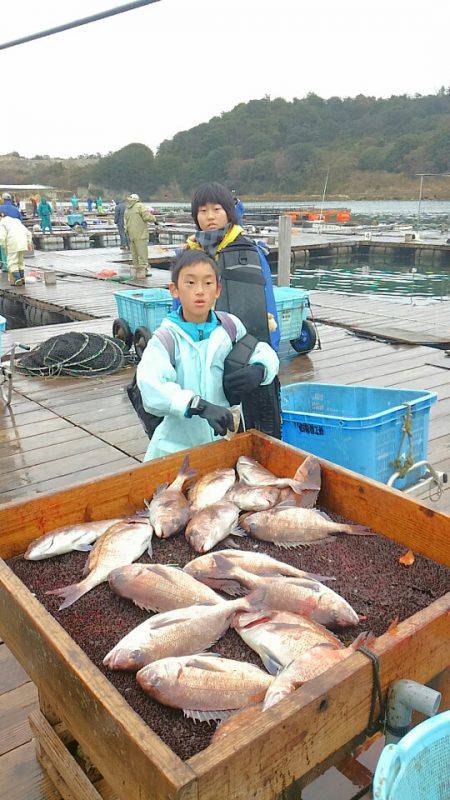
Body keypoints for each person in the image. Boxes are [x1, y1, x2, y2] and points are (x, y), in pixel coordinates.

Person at [136, 249, 279, 460]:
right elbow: (151, 389)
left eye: (208, 283)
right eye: (190, 283)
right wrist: (197, 405)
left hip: (224, 442)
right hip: (176, 448)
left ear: (218, 290)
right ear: (174, 290)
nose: (200, 291)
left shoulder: (230, 327)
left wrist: (260, 369)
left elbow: (262, 350)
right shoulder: (165, 339)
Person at [185, 182, 282, 437]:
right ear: (195, 216)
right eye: (203, 211)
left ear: (229, 212)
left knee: (259, 432)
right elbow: (177, 311)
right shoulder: (188, 256)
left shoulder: (251, 252)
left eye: (217, 209)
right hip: (203, 356)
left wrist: (264, 364)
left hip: (244, 355)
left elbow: (268, 311)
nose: (210, 216)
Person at [124, 193, 156, 279]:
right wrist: (154, 218)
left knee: (134, 254)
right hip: (140, 234)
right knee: (142, 254)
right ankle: (143, 271)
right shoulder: (140, 206)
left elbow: (125, 222)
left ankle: (136, 271)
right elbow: (146, 217)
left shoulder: (127, 208)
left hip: (131, 234)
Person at [0, 212, 32, 285]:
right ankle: (22, 278)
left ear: (1, 215)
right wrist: (29, 242)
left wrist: (4, 247)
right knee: (20, 262)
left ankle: (18, 279)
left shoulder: (2, 223)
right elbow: (28, 233)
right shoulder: (16, 221)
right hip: (23, 242)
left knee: (12, 263)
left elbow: (1, 237)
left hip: (12, 243)